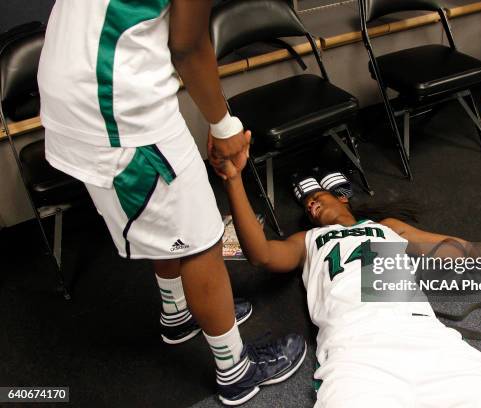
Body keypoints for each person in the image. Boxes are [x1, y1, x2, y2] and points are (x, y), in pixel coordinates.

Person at [37, 0, 306, 405]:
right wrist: (223, 124)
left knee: (168, 217)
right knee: (201, 237)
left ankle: (177, 313)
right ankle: (236, 371)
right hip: (114, 110)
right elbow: (188, 44)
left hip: (85, 95)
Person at [214, 157, 481, 407]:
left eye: (319, 196)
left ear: (344, 199)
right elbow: (262, 254)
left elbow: (469, 249)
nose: (312, 204)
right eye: (307, 203)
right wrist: (233, 180)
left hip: (428, 342)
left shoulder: (387, 229)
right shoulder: (308, 241)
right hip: (356, 350)